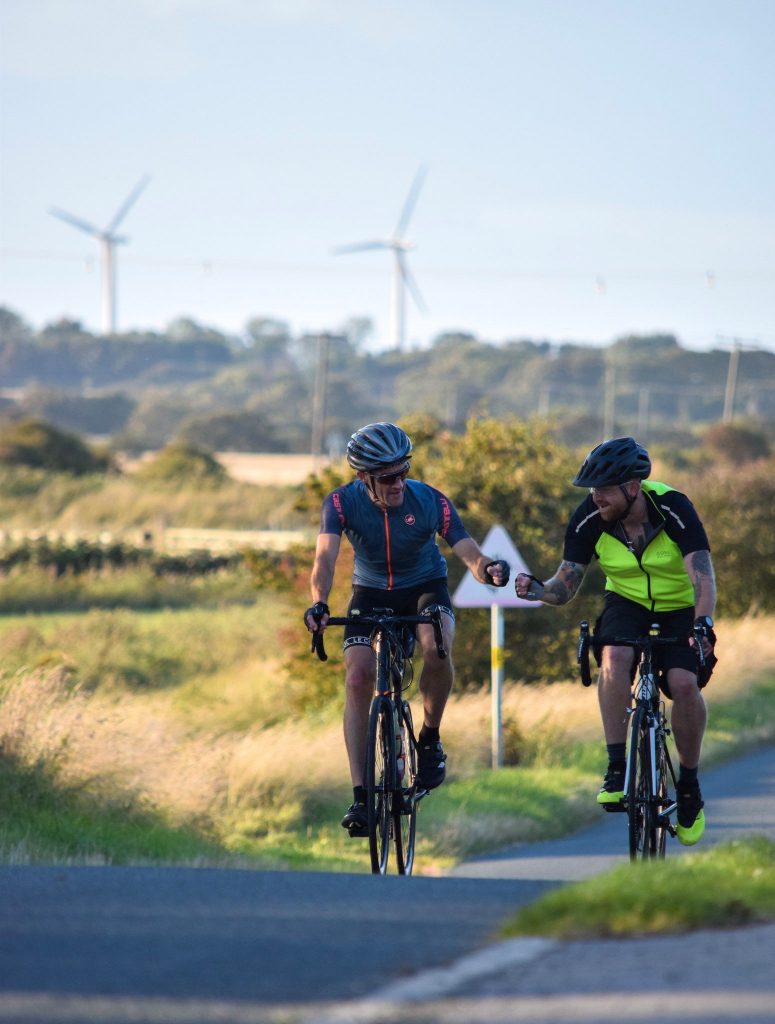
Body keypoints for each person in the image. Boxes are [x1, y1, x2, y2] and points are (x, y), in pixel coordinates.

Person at [304, 422, 510, 838]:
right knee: (359, 676)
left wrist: (488, 569)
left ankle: (430, 738)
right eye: (387, 478)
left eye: (403, 471)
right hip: (370, 592)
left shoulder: (429, 499)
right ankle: (361, 796)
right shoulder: (341, 503)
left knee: (437, 648)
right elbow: (325, 560)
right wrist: (319, 603)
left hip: (424, 587)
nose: (398, 483)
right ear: (364, 478)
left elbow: (467, 550)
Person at [515, 436, 717, 846]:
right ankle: (614, 766)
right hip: (626, 601)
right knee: (615, 655)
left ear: (632, 487)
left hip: (679, 606)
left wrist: (702, 625)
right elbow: (565, 585)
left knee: (682, 683)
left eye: (604, 490)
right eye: (592, 491)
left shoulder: (674, 507)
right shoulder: (589, 517)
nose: (596, 498)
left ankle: (690, 787)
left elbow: (703, 577)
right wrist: (537, 590)